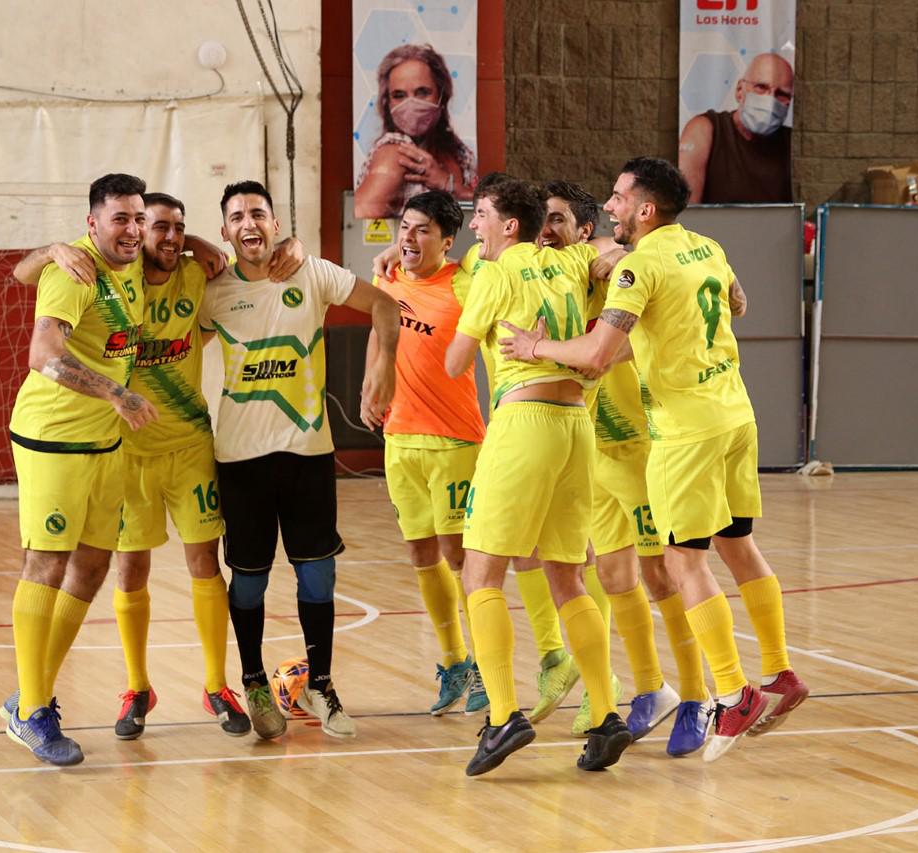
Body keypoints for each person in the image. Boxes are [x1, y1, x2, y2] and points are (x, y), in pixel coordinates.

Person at [499, 157, 808, 763]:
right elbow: (738, 302)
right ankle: (779, 671)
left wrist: (536, 346)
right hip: (734, 414)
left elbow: (597, 354)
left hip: (683, 431)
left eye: (618, 197)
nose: (610, 205)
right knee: (737, 544)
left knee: (682, 562)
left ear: (644, 208)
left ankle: (730, 693)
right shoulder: (706, 247)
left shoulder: (637, 267)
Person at [8, 197, 306, 742]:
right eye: (157, 226)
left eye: (178, 228)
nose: (169, 236)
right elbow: (26, 275)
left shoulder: (196, 275)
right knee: (128, 569)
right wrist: (52, 249)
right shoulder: (113, 279)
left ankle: (216, 685)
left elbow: (252, 266)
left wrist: (291, 246)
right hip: (127, 448)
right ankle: (136, 687)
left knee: (205, 563)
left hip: (189, 444)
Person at [443, 178, 630, 777]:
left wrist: (479, 327)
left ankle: (503, 715)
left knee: (480, 573)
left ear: (509, 226)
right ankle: (606, 715)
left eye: (482, 215)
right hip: (576, 427)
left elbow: (454, 363)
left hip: (523, 421)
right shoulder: (571, 261)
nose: (474, 224)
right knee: (568, 577)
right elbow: (613, 252)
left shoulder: (495, 274)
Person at [200, 180, 400, 740]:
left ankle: (321, 683)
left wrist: (385, 364)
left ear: (275, 223)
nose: (249, 223)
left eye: (258, 213)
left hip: (308, 455)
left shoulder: (311, 273)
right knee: (249, 582)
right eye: (237, 217)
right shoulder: (212, 292)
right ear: (225, 232)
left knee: (318, 574)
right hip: (241, 459)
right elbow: (171, 332)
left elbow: (384, 304)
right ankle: (253, 679)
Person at [540, 181, 712, 754]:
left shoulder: (622, 266)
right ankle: (651, 689)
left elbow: (633, 272)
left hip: (641, 447)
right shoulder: (549, 275)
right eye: (541, 220)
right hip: (594, 453)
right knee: (615, 579)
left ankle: (697, 697)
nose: (546, 230)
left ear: (585, 229)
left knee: (662, 575)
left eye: (557, 220)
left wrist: (616, 252)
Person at [3, 173, 158, 766]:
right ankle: (32, 711)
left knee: (92, 566)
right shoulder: (74, 272)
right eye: (120, 218)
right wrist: (116, 392)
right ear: (92, 223)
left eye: (139, 218)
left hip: (105, 442)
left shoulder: (133, 263)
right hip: (54, 438)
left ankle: (31, 691)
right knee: (47, 564)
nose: (133, 229)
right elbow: (43, 355)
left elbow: (20, 269)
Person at [359, 189, 488, 717]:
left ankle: (486, 665)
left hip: (454, 440)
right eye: (404, 228)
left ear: (448, 240)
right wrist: (370, 385)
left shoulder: (466, 282)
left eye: (422, 230)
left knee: (460, 557)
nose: (409, 238)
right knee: (420, 554)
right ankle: (454, 662)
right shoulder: (387, 278)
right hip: (400, 439)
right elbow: (380, 332)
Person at [354, 43, 477, 219]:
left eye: (422, 92)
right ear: (388, 103)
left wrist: (450, 186)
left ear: (442, 95)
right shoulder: (400, 154)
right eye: (399, 95)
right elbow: (359, 220)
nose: (410, 103)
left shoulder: (460, 153)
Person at [679, 52, 794, 204]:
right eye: (761, 87)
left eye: (781, 94)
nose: (770, 101)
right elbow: (686, 211)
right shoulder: (704, 130)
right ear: (740, 90)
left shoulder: (794, 145)